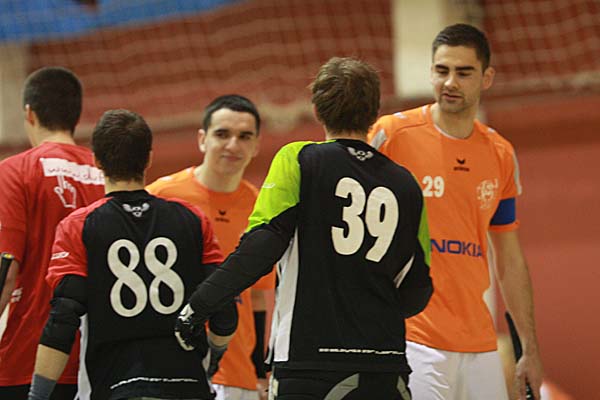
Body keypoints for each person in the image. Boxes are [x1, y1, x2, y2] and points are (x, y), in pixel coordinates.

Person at [175, 57, 433, 399]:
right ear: (374, 113)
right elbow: (418, 290)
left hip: (310, 364)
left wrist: (198, 307)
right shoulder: (406, 183)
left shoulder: (300, 159)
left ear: (317, 109)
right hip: (386, 365)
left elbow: (261, 248)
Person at [369, 23, 544, 400]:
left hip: (479, 342)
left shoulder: (501, 153)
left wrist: (529, 349)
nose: (450, 82)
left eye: (463, 72)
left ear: (486, 78)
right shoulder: (391, 134)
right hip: (411, 336)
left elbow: (509, 257)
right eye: (441, 70)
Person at [27, 109, 238, 400]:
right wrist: (215, 356)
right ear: (149, 159)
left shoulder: (79, 226)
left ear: (97, 161)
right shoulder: (192, 219)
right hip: (188, 385)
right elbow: (224, 310)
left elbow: (62, 321)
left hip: (115, 386)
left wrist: (37, 396)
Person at [147, 94, 275, 400]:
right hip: (169, 368)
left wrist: (258, 371)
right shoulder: (161, 196)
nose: (233, 145)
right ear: (202, 139)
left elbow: (258, 295)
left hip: (237, 377)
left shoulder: (262, 208)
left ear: (257, 145)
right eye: (222, 134)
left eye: (244, 136)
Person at [0, 67, 105, 399]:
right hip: (99, 362)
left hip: (29, 358)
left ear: (29, 113)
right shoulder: (108, 173)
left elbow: (5, 269)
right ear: (76, 115)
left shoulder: (15, 171)